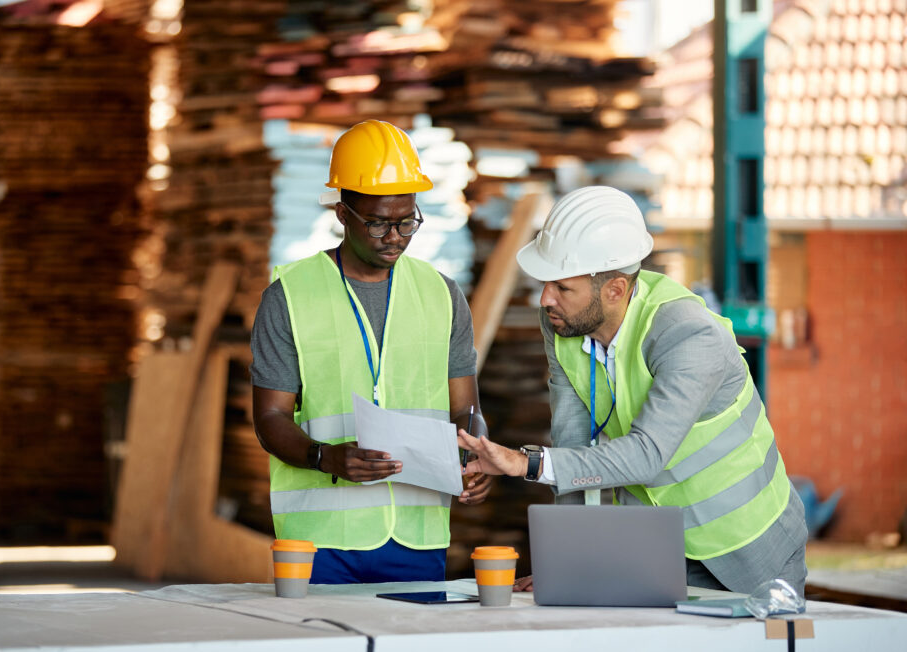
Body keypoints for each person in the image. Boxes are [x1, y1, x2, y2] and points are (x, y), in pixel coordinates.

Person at [458, 185, 808, 596]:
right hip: (656, 549)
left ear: (616, 290)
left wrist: (525, 463)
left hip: (750, 548)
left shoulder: (689, 335)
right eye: (546, 282)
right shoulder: (563, 324)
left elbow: (647, 455)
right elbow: (572, 444)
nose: (545, 298)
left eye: (563, 287)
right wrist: (569, 563)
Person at [251, 119, 492, 584]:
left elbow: (466, 406)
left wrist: (473, 454)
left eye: (407, 221)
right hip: (318, 542)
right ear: (342, 212)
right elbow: (270, 418)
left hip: (418, 536)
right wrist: (326, 458)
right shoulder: (289, 296)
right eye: (379, 222)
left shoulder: (441, 294)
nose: (395, 236)